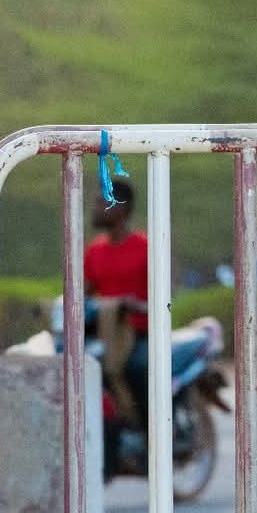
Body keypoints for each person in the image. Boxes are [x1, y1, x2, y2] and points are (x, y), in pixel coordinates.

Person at [84, 179, 152, 458]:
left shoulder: (147, 247)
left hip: (139, 333)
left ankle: (154, 439)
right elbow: (83, 294)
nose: (96, 207)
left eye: (102, 202)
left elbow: (164, 296)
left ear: (120, 207)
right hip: (106, 335)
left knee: (137, 369)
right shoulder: (94, 251)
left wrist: (136, 305)